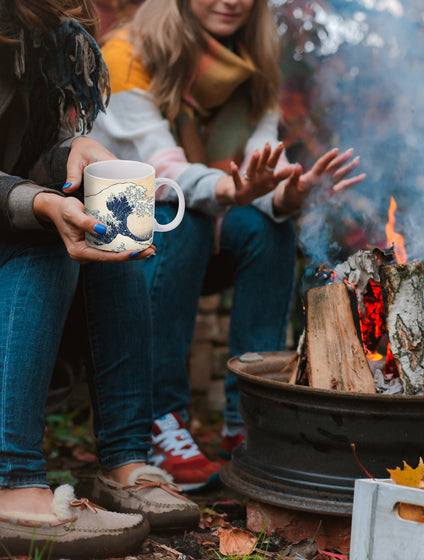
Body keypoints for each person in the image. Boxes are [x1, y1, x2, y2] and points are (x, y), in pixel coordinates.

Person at [88, 0, 365, 491]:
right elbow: (164, 176)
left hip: (203, 221)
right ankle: (160, 419)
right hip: (117, 226)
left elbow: (256, 178)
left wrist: (288, 194)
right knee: (186, 216)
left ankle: (249, 420)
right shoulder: (126, 55)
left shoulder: (254, 71)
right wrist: (235, 192)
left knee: (270, 227)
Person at [0, 0, 199, 557]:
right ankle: (11, 482)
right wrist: (36, 201)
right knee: (50, 240)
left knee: (111, 239)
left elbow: (26, 157)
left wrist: (73, 150)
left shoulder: (51, 43)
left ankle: (124, 460)